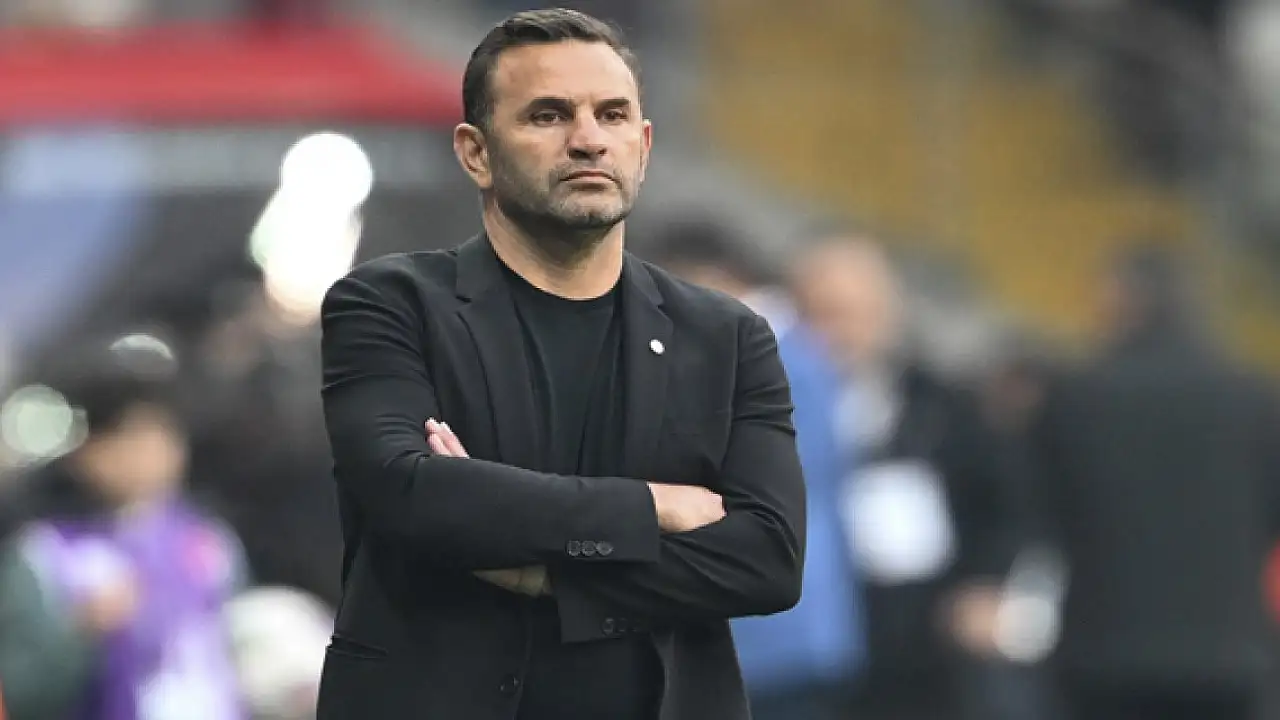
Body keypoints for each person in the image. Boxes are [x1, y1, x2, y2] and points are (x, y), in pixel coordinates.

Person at [315, 9, 806, 720]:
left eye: (612, 115)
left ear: (643, 145)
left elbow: (767, 560)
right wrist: (653, 506)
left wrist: (542, 575)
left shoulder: (728, 336)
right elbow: (408, 494)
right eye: (548, 116)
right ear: (475, 153)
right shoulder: (390, 303)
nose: (587, 139)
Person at [1032, 245, 1280, 720]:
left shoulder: (1076, 397)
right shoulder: (1251, 396)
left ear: (1121, 300)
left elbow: (1043, 514)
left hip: (1104, 652)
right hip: (1229, 653)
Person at [792, 236, 1027, 720]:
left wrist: (986, 583)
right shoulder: (764, 410)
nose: (839, 334)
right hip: (812, 650)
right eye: (822, 315)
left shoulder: (943, 404)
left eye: (856, 313)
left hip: (926, 642)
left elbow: (1004, 503)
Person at [644, 217, 864, 720]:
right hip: (787, 618)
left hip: (776, 623)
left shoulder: (773, 354)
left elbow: (769, 478)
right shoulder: (795, 351)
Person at [0, 356, 246, 720]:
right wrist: (81, 635)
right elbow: (20, 691)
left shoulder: (208, 541)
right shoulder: (44, 556)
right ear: (87, 453)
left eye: (160, 434)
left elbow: (243, 648)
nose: (149, 453)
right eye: (128, 437)